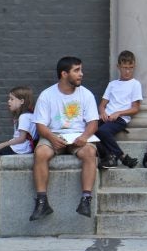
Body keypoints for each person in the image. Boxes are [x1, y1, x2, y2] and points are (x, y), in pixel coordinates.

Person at [29, 56, 100, 221]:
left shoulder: (86, 94)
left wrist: (84, 137)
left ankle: (86, 200)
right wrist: (51, 138)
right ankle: (42, 202)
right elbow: (40, 126)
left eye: (81, 70)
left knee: (90, 152)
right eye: (76, 70)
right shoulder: (47, 95)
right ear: (64, 74)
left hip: (78, 137)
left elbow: (93, 124)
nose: (81, 74)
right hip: (54, 135)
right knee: (40, 153)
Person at [0, 86, 38, 200]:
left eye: (12, 99)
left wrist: (4, 144)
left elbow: (22, 138)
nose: (9, 101)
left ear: (22, 101)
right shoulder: (24, 115)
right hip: (20, 145)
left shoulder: (24, 117)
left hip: (22, 148)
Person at [96, 50, 142, 169]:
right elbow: (102, 105)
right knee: (90, 131)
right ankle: (111, 158)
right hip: (107, 117)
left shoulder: (135, 84)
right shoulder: (112, 84)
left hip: (120, 118)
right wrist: (102, 113)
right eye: (124, 67)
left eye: (130, 68)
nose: (127, 71)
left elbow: (135, 108)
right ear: (118, 67)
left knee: (102, 131)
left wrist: (119, 113)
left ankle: (121, 157)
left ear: (134, 66)